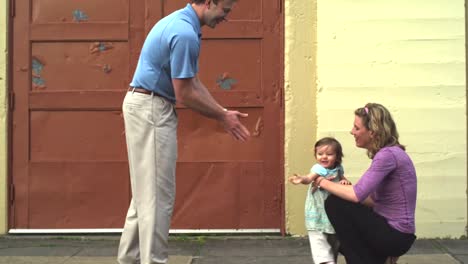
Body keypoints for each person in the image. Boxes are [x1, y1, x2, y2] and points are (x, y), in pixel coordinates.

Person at [117, 1, 250, 264]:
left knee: (146, 193)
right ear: (210, 2)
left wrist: (222, 111)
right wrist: (222, 116)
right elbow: (185, 93)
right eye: (225, 10)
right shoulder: (185, 33)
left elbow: (192, 81)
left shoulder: (180, 22)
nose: (227, 17)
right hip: (151, 108)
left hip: (145, 105)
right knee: (157, 197)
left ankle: (129, 259)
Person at [309, 103, 417, 264]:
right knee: (340, 203)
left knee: (335, 203)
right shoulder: (390, 153)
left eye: (356, 128)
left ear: (372, 132)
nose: (352, 132)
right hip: (395, 234)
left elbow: (356, 194)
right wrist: (340, 187)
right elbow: (371, 200)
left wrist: (319, 180)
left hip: (395, 235)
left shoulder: (387, 155)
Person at [289, 137, 351, 264]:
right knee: (320, 245)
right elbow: (309, 178)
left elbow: (342, 179)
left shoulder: (338, 168)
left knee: (332, 244)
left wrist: (345, 181)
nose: (324, 157)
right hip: (317, 212)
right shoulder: (319, 169)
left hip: (331, 215)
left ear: (338, 156)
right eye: (320, 154)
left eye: (329, 154)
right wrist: (301, 179)